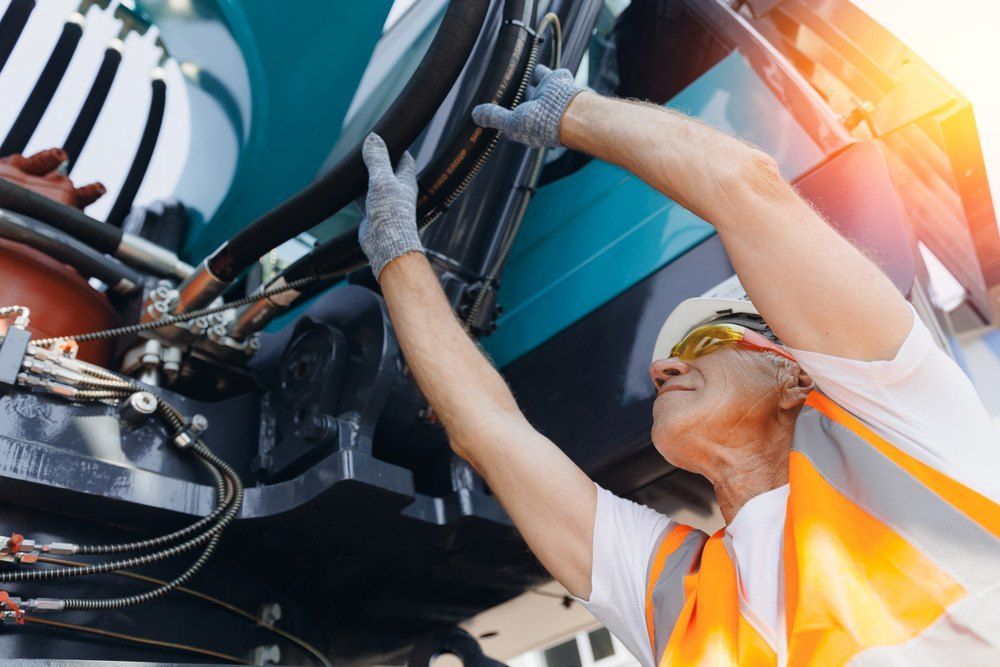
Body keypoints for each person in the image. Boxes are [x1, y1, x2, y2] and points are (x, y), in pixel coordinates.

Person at [356, 65, 1000, 665]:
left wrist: (572, 112)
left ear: (796, 375)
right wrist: (396, 252)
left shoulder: (914, 434)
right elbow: (489, 433)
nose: (662, 368)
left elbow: (747, 189)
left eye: (703, 342)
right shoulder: (678, 591)